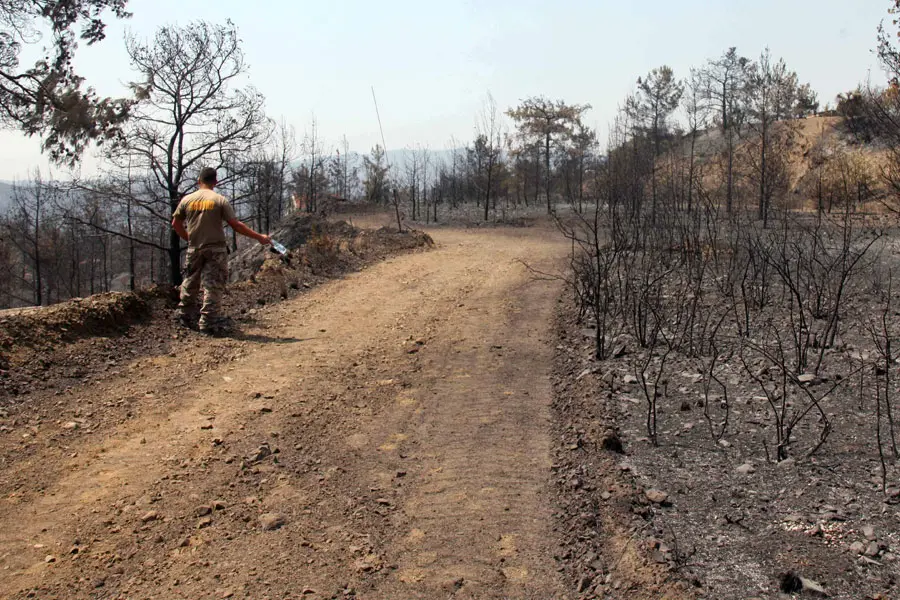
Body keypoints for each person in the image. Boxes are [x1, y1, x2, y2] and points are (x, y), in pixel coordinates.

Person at [172, 167, 271, 334]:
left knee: (190, 281)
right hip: (216, 249)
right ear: (215, 182)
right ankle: (208, 322)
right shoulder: (219, 200)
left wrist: (190, 239)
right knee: (213, 285)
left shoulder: (187, 200)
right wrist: (259, 237)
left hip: (194, 248)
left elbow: (175, 224)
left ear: (199, 181)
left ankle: (185, 315)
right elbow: (236, 225)